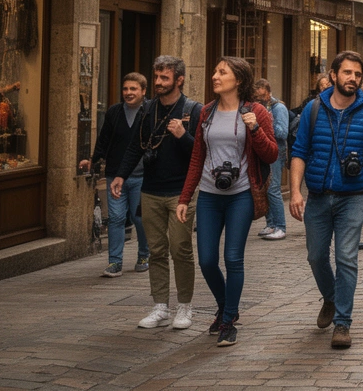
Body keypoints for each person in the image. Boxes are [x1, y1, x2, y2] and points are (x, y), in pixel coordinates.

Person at [289, 51, 363, 349]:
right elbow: (299, 151)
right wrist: (295, 191)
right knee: (316, 256)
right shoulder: (313, 109)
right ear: (333, 75)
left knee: (346, 258)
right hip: (317, 197)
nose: (352, 79)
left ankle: (343, 323)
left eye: (357, 74)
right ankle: (330, 298)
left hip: (352, 198)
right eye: (347, 73)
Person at [175, 58, 277, 347]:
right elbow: (197, 158)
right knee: (207, 260)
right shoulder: (206, 112)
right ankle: (225, 307)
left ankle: (228, 320)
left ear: (239, 79)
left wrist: (255, 129)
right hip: (209, 195)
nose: (215, 76)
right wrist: (185, 198)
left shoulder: (255, 111)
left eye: (222, 72)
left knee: (233, 258)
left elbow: (271, 155)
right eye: (216, 71)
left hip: (241, 195)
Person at [113, 56, 203, 330]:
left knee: (180, 249)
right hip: (150, 190)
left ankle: (185, 306)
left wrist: (182, 135)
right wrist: (121, 174)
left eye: (165, 78)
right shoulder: (147, 109)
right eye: (157, 77)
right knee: (156, 250)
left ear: (179, 80)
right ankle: (160, 306)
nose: (159, 83)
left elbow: (201, 153)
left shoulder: (192, 110)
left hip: (181, 192)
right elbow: (135, 147)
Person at [79, 72, 150, 277]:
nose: (128, 93)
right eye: (125, 89)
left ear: (143, 91)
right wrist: (94, 161)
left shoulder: (150, 111)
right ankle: (114, 262)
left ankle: (144, 255)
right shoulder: (114, 112)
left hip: (141, 176)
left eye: (133, 89)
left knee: (139, 219)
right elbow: (104, 139)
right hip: (115, 175)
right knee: (117, 218)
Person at [252, 79, 290, 241]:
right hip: (263, 151)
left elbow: (282, 133)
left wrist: (267, 120)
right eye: (256, 98)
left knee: (273, 189)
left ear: (268, 93)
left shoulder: (279, 108)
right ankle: (271, 224)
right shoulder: (260, 107)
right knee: (265, 188)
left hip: (276, 153)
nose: (259, 100)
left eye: (261, 97)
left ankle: (280, 226)